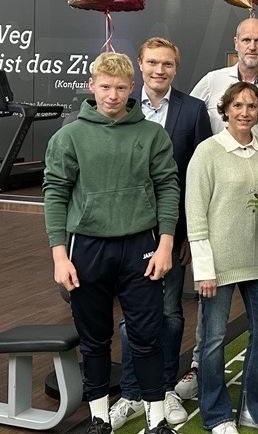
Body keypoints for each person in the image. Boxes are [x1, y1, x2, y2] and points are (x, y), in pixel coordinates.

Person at [43, 52, 180, 434]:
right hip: (86, 248)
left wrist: (166, 243)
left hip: (142, 246)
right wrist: (59, 256)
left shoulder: (152, 134)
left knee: (147, 334)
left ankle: (156, 421)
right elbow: (54, 194)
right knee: (94, 338)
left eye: (120, 87)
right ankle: (100, 418)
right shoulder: (68, 136)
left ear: (131, 88)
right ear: (91, 86)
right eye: (105, 86)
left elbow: (168, 187)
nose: (112, 95)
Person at [184, 17, 258, 411]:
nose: (245, 111)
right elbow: (197, 207)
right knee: (213, 335)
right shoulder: (210, 89)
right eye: (246, 39)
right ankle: (211, 398)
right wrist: (203, 265)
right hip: (221, 247)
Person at [109, 38, 212, 429]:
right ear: (139, 65)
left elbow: (198, 178)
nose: (159, 70)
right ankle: (133, 393)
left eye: (167, 64)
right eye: (152, 62)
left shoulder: (194, 111)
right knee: (131, 317)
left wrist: (186, 233)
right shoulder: (121, 108)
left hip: (171, 233)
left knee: (169, 313)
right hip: (126, 232)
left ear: (175, 67)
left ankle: (166, 389)